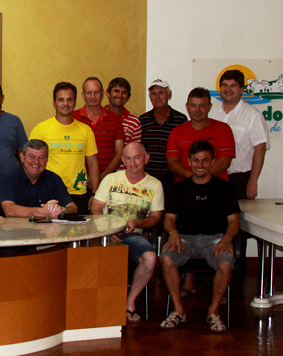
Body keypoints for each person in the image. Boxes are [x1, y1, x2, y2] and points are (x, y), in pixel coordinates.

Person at [159, 141, 240, 333]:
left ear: (213, 162)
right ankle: (179, 310)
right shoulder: (179, 189)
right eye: (196, 160)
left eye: (205, 160)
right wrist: (173, 233)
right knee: (166, 258)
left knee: (226, 263)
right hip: (184, 239)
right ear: (188, 161)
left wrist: (227, 239)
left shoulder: (224, 188)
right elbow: (168, 219)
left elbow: (234, 221)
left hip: (215, 240)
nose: (200, 165)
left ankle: (213, 312)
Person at [90, 142, 163, 323]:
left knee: (151, 259)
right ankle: (100, 303)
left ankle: (129, 302)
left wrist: (138, 222)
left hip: (133, 234)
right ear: (122, 160)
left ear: (146, 158)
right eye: (128, 158)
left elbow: (155, 218)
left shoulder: (155, 185)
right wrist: (107, 229)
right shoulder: (111, 179)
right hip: (105, 234)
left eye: (137, 157)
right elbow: (96, 208)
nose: (133, 163)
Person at [30, 82, 100, 214]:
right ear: (54, 102)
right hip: (48, 192)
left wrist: (95, 194)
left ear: (75, 102)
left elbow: (92, 163)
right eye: (61, 99)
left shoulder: (85, 130)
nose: (65, 104)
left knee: (79, 233)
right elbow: (31, 163)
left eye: (69, 99)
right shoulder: (41, 129)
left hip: (78, 193)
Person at [208, 69, 269, 199]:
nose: (228, 89)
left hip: (239, 180)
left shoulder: (253, 115)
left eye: (233, 85)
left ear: (241, 89)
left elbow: (261, 149)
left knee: (237, 219)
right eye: (224, 85)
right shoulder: (211, 112)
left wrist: (253, 181)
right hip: (213, 177)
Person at [166, 87, 235, 183]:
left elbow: (225, 162)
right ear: (187, 106)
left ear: (210, 107)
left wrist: (202, 178)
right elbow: (172, 163)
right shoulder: (176, 132)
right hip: (184, 188)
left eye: (202, 105)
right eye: (193, 105)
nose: (197, 110)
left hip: (216, 187)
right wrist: (193, 178)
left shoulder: (223, 129)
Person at [0, 139, 78, 218]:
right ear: (22, 157)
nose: (36, 162)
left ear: (47, 160)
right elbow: (9, 210)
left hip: (47, 230)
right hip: (15, 229)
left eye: (41, 158)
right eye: (32, 157)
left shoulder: (54, 179)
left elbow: (73, 207)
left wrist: (61, 210)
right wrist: (43, 212)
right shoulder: (8, 178)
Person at [139, 79, 188, 196]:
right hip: (147, 179)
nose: (157, 96)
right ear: (150, 97)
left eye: (161, 92)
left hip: (173, 180)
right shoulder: (142, 120)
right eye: (153, 93)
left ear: (169, 95)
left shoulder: (181, 120)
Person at [73, 77, 124, 180]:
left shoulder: (114, 119)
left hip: (107, 179)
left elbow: (120, 153)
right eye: (89, 93)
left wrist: (101, 177)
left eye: (96, 92)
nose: (92, 96)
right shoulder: (73, 118)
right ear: (83, 95)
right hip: (78, 180)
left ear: (102, 94)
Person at [104, 77, 141, 146]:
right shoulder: (98, 117)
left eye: (124, 92)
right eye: (116, 91)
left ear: (128, 97)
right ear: (108, 93)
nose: (120, 95)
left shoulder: (134, 123)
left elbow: (134, 152)